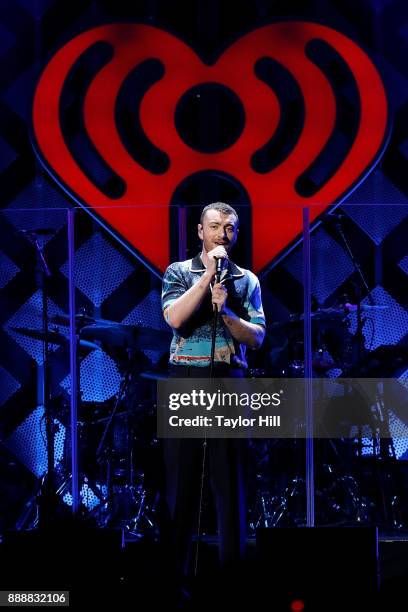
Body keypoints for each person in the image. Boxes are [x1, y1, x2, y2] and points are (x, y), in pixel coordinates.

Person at [160, 201, 265, 583]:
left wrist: (227, 313)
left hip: (228, 380)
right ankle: (176, 580)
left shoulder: (247, 280)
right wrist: (205, 279)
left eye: (231, 228)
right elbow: (174, 318)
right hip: (185, 378)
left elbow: (258, 336)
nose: (224, 234)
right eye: (216, 227)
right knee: (181, 484)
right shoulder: (177, 272)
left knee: (229, 482)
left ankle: (232, 577)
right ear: (200, 232)